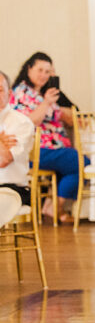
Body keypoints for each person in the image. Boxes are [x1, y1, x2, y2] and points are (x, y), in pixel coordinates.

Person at [8, 52, 87, 223]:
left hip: (55, 148)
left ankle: (51, 206)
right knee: (81, 162)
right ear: (29, 69)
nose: (44, 75)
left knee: (78, 165)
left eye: (48, 71)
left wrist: (71, 114)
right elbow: (27, 124)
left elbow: (62, 114)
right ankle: (54, 208)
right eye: (40, 70)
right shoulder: (21, 92)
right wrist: (46, 103)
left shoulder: (43, 92)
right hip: (38, 150)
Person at [0, 71, 35, 227]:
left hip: (12, 189)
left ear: (9, 93)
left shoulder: (22, 123)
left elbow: (3, 160)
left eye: (0, 89)